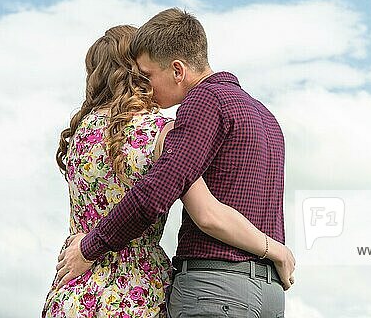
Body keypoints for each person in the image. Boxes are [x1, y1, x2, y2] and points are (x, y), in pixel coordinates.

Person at [43, 25, 294, 317]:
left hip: (75, 285)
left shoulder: (78, 134)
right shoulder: (162, 132)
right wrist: (276, 249)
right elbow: (207, 213)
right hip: (136, 291)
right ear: (135, 74)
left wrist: (86, 247)